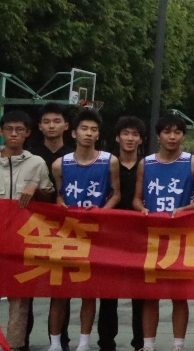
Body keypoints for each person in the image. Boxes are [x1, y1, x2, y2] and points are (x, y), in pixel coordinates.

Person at [134, 114, 194, 351]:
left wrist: (184, 210)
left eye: (177, 132)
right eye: (167, 132)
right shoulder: (146, 163)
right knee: (150, 293)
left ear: (183, 136)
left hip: (181, 235)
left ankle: (178, 344)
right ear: (159, 136)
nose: (172, 137)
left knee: (179, 293)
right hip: (152, 236)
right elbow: (136, 198)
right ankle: (148, 345)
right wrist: (142, 209)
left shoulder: (192, 162)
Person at [49, 109, 121, 351]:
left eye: (93, 129)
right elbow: (59, 194)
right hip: (67, 234)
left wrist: (101, 211)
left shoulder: (110, 161)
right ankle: (55, 343)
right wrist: (62, 206)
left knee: (88, 290)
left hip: (95, 234)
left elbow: (116, 194)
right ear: (73, 133)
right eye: (84, 129)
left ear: (98, 134)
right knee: (60, 291)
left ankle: (83, 342)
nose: (89, 133)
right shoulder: (60, 164)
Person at [3, 109, 56, 351]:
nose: (14, 134)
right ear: (2, 132)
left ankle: (14, 346)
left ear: (27, 133)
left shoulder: (37, 163)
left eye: (19, 130)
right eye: (9, 129)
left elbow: (49, 200)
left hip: (21, 241)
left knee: (19, 299)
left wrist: (36, 189)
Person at [97, 116, 147, 351]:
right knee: (108, 293)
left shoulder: (148, 166)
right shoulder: (105, 165)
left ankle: (141, 342)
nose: (130, 138)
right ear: (117, 138)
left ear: (141, 139)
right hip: (109, 237)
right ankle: (106, 342)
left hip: (141, 237)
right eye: (125, 133)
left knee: (141, 293)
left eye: (135, 134)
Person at [26, 103, 74, 351]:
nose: (52, 126)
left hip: (66, 230)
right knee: (26, 287)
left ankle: (59, 340)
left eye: (57, 121)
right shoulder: (28, 156)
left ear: (66, 126)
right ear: (39, 126)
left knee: (61, 288)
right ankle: (22, 340)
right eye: (47, 121)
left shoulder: (75, 156)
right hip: (31, 229)